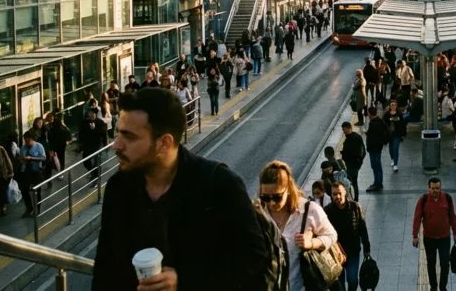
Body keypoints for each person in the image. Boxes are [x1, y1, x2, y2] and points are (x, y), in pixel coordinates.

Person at [93, 88, 278, 290]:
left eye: (129, 136)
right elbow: (105, 267)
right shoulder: (119, 188)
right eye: (117, 132)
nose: (116, 145)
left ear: (164, 143)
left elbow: (253, 258)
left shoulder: (219, 185)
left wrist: (184, 281)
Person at [257, 160, 338, 291]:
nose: (271, 203)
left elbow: (332, 235)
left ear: (288, 189)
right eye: (265, 197)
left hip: (299, 286)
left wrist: (311, 243)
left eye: (277, 197)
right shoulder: (257, 213)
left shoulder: (308, 210)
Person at [412, 177, 456, 291]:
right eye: (432, 188)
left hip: (444, 238)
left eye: (437, 188)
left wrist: (455, 232)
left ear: (440, 188)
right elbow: (417, 218)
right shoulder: (423, 200)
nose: (435, 191)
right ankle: (433, 286)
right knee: (431, 263)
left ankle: (443, 286)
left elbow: (452, 216)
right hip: (429, 238)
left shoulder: (447, 198)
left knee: (445, 263)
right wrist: (414, 235)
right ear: (428, 188)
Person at [325, 182, 371, 291]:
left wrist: (367, 248)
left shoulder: (355, 207)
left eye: (339, 193)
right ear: (331, 195)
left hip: (353, 251)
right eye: (334, 194)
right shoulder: (327, 211)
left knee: (353, 279)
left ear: (345, 192)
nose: (337, 197)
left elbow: (362, 229)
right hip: (336, 253)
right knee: (339, 283)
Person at [18, 131, 46, 217]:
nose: (27, 143)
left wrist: (32, 158)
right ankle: (29, 208)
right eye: (25, 141)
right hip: (25, 171)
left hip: (36, 171)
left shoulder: (38, 146)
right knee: (24, 190)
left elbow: (43, 157)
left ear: (33, 140)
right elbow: (20, 157)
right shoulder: (23, 148)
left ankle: (37, 209)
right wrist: (22, 159)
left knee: (37, 191)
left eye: (29, 141)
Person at [77, 108, 108, 182]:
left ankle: (96, 178)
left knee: (96, 163)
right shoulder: (85, 122)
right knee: (86, 161)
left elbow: (104, 134)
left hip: (96, 145)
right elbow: (80, 133)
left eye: (92, 113)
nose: (91, 114)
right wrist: (78, 143)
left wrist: (105, 143)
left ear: (95, 114)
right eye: (90, 113)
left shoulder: (100, 122)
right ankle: (92, 173)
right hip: (87, 145)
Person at [365, 107, 389, 192]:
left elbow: (374, 135)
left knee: (376, 166)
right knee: (376, 166)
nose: (367, 115)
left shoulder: (374, 123)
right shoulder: (379, 121)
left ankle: (378, 184)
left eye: (368, 113)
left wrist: (368, 133)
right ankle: (377, 182)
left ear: (370, 114)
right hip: (377, 147)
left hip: (374, 148)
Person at [340, 122, 365, 199]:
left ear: (348, 128)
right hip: (353, 164)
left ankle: (354, 198)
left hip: (352, 165)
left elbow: (357, 152)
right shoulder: (353, 137)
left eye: (344, 129)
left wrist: (357, 161)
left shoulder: (353, 138)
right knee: (353, 182)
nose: (343, 131)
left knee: (352, 183)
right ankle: (355, 198)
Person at [383, 100, 406, 173]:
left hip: (397, 134)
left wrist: (403, 133)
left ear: (396, 106)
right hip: (390, 134)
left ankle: (396, 164)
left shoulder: (399, 114)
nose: (393, 106)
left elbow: (402, 124)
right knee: (391, 148)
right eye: (392, 105)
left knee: (395, 148)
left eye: (394, 105)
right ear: (390, 106)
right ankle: (392, 158)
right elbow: (384, 123)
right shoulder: (386, 114)